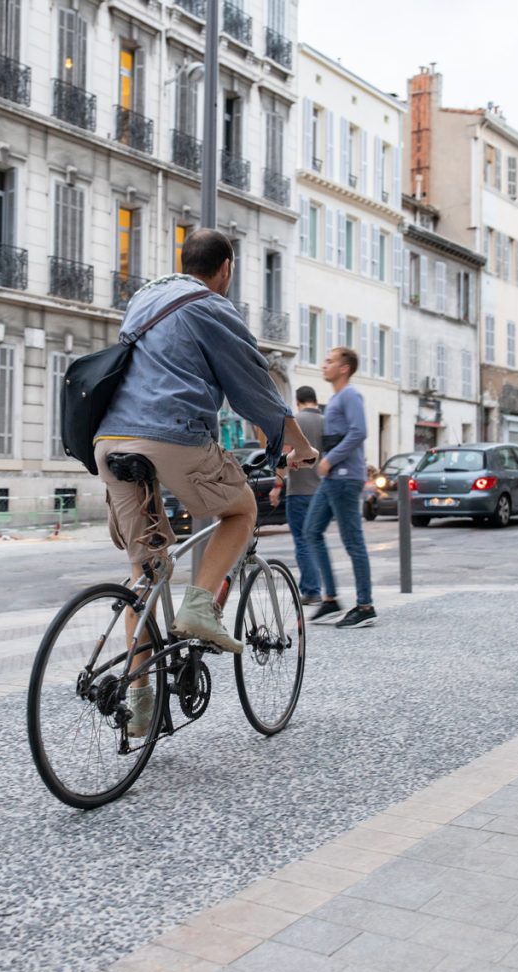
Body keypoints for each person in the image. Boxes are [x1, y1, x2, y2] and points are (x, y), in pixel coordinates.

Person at [93, 230, 317, 732]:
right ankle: (199, 610)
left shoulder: (145, 298)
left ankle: (142, 708)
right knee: (240, 511)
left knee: (147, 574)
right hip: (171, 436)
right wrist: (299, 447)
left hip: (110, 440)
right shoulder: (212, 308)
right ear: (227, 268)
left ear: (182, 260)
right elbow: (255, 391)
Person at [303, 346, 376, 629]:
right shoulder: (336, 398)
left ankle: (366, 606)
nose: (324, 364)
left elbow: (360, 431)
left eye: (330, 361)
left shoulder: (351, 395)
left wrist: (330, 460)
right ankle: (331, 599)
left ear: (344, 368)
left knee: (353, 541)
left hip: (345, 477)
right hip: (332, 477)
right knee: (311, 531)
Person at [269, 386, 323, 605]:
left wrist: (276, 486)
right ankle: (318, 588)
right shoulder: (326, 421)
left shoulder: (295, 420)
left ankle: (311, 590)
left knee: (302, 541)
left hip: (299, 492)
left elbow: (284, 455)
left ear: (299, 401)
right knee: (316, 541)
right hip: (320, 493)